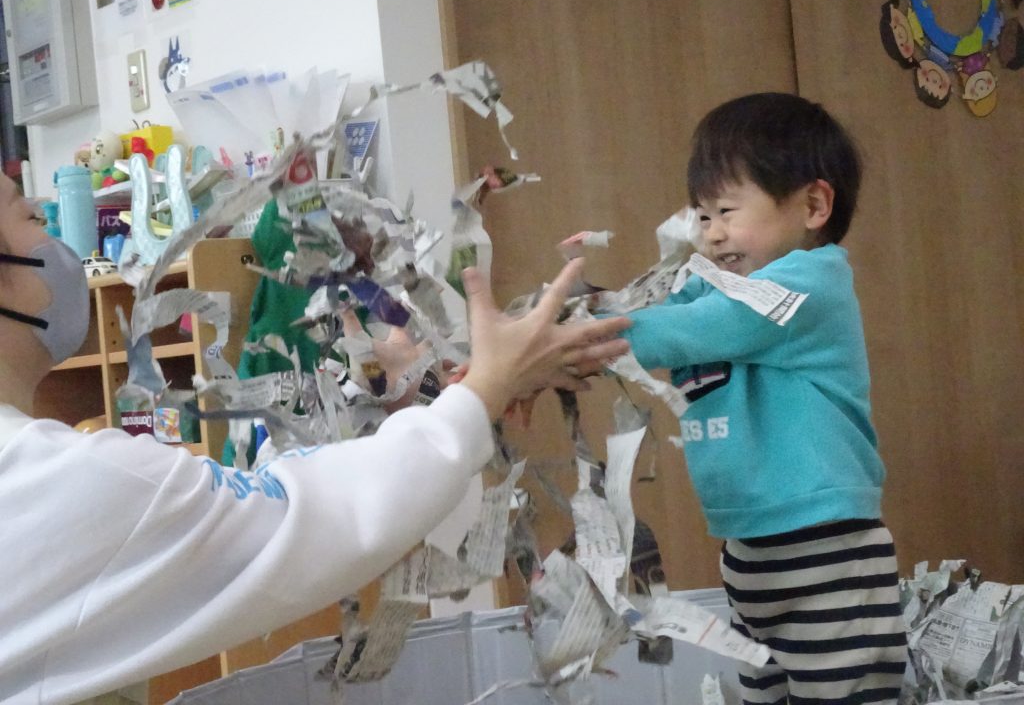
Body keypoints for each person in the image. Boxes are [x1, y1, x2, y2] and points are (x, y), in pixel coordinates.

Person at [0, 172, 631, 704]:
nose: (47, 225)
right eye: (24, 213)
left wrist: (440, 395)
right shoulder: (63, 483)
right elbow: (311, 518)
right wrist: (485, 389)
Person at [620, 93, 907, 704]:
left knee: (840, 694)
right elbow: (658, 312)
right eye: (702, 217)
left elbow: (684, 329)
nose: (712, 233)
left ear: (814, 205)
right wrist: (567, 327)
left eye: (726, 210)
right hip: (750, 550)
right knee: (765, 692)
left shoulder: (808, 284)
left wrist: (578, 338)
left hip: (826, 546)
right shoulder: (720, 289)